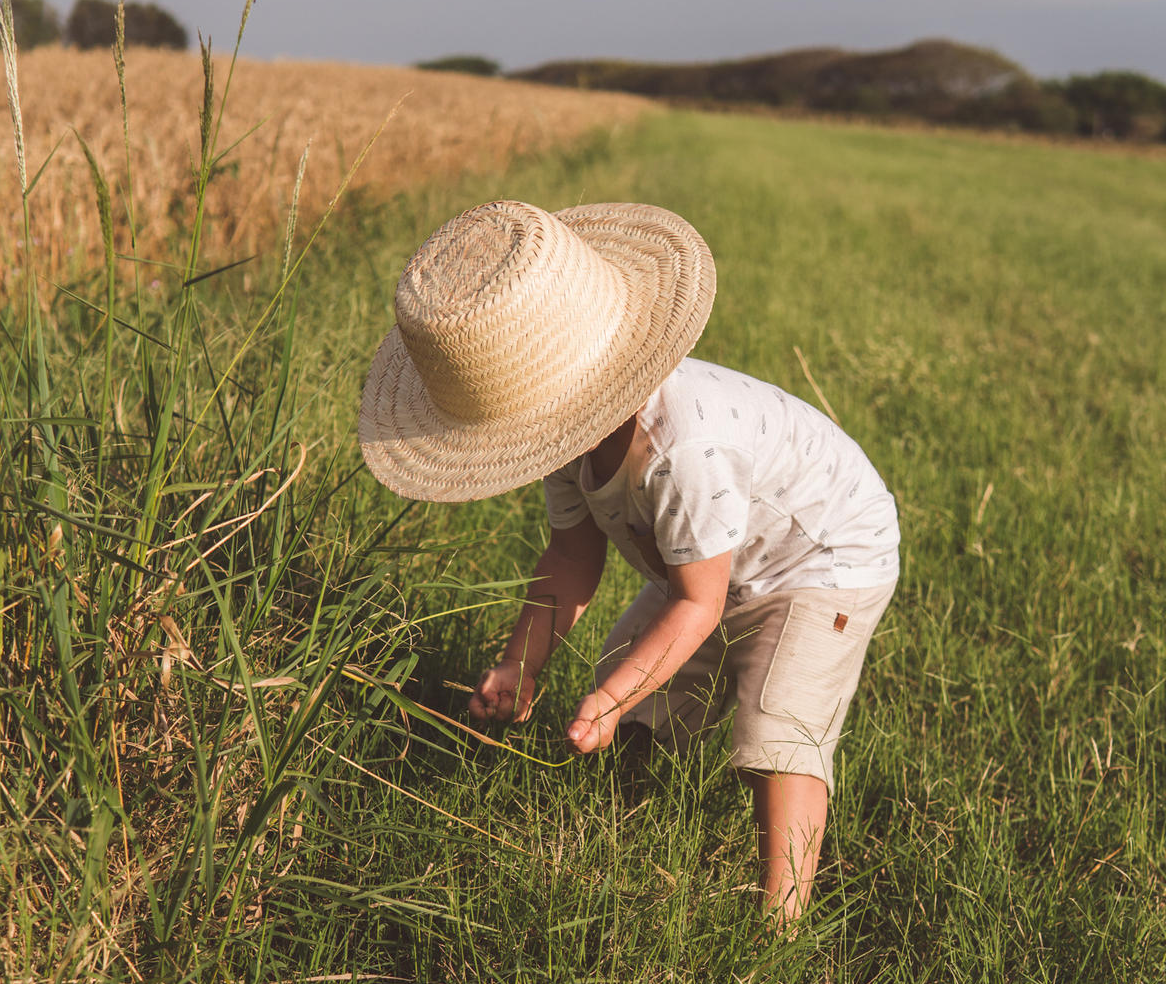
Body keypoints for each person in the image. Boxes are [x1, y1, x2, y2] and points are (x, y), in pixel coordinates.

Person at [358, 198, 899, 921]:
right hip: (713, 564)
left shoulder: (683, 449)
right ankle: (639, 811)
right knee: (633, 667)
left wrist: (609, 700)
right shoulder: (559, 431)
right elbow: (572, 551)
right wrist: (524, 661)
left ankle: (781, 915)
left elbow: (697, 603)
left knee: (777, 722)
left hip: (823, 557)